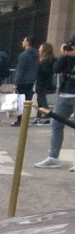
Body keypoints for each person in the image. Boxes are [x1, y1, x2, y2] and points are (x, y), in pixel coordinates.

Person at [33, 37, 75, 169]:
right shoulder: (67, 57)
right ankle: (53, 157)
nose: (70, 48)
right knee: (56, 124)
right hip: (65, 93)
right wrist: (64, 55)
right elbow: (56, 69)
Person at [11, 36, 38, 127]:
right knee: (27, 101)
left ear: (28, 42)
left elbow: (21, 70)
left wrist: (16, 83)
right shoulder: (36, 54)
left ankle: (20, 120)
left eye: (24, 40)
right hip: (31, 80)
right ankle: (25, 120)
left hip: (23, 81)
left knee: (20, 101)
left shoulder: (24, 55)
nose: (22, 42)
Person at [37, 42, 57, 125]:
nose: (39, 49)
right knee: (39, 99)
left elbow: (46, 71)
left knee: (42, 99)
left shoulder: (46, 60)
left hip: (43, 82)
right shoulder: (51, 59)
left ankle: (47, 115)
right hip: (44, 81)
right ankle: (38, 116)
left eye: (40, 48)